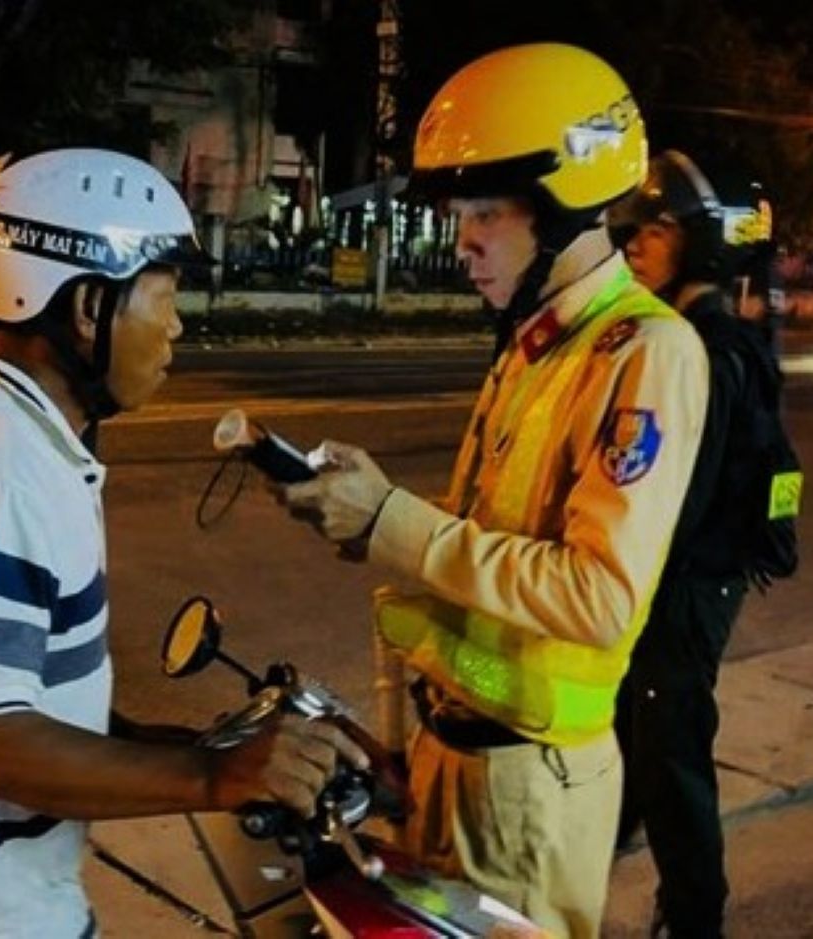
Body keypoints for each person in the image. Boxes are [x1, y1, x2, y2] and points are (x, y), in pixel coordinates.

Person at [0, 148, 366, 937]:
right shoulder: (2, 468)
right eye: (162, 296)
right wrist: (210, 774)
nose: (175, 324)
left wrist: (170, 746)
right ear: (90, 308)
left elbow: (8, 691)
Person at [274, 45, 709, 938]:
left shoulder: (644, 352)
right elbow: (480, 549)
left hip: (528, 787)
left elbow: (598, 595)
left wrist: (395, 521)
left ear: (560, 207)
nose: (461, 240)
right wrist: (372, 521)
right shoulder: (534, 339)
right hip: (450, 757)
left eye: (483, 212)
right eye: (456, 214)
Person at [609, 149, 781, 938]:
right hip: (681, 581)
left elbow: (676, 499)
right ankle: (573, 869)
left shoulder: (706, 349)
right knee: (626, 743)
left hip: (689, 586)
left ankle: (693, 920)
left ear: (703, 242)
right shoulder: (691, 333)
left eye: (661, 224)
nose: (635, 236)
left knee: (669, 758)